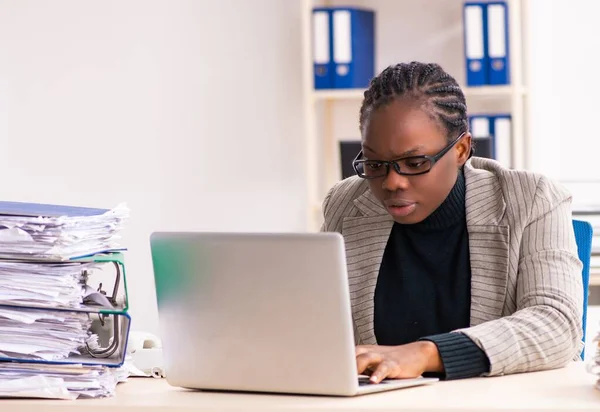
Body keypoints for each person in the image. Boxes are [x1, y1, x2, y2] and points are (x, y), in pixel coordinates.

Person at [320, 61, 584, 383]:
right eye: (375, 163)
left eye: (414, 162)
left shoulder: (532, 199)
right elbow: (315, 322)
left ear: (461, 149)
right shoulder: (346, 204)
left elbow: (556, 324)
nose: (391, 183)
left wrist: (426, 353)